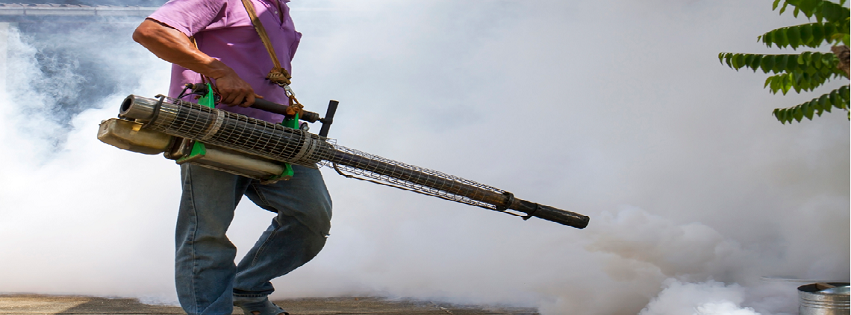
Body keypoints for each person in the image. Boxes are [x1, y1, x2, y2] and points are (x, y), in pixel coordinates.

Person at [132, 1, 332, 314]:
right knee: (207, 232)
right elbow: (151, 32)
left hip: (276, 131)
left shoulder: (278, 8)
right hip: (215, 126)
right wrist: (218, 71)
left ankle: (248, 287)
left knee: (311, 217)